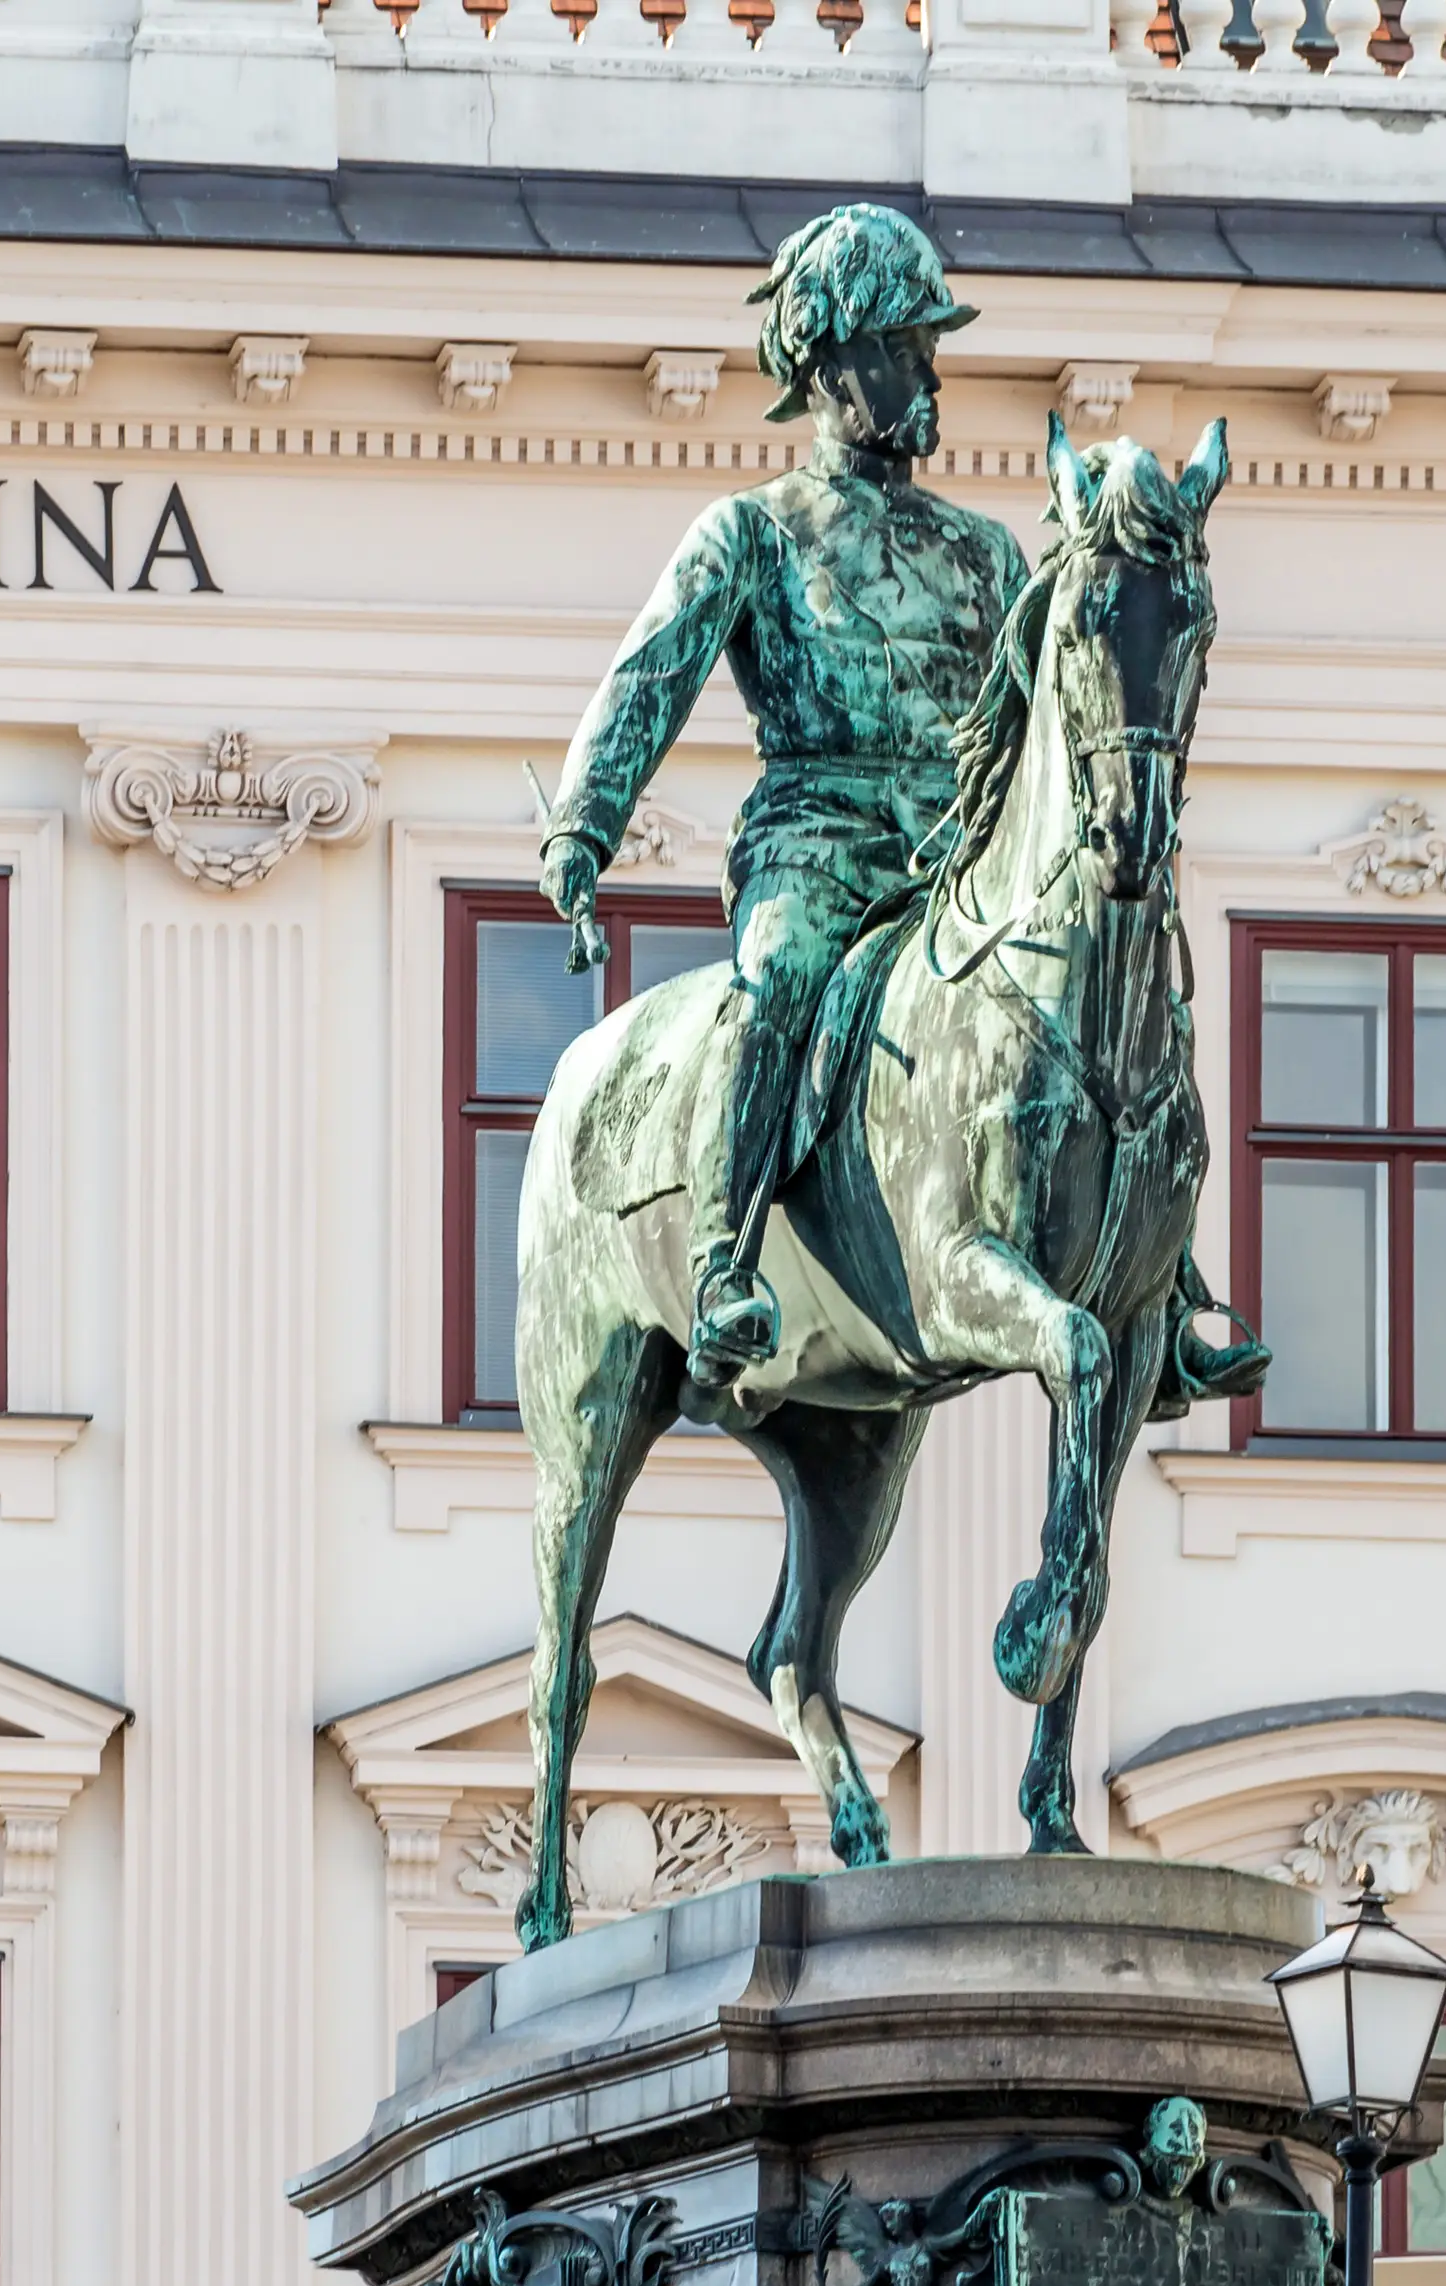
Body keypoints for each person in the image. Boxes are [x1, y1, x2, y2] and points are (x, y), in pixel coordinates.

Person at [535, 201, 1032, 1393]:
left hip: (956, 850)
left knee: (1094, 977)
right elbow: (651, 676)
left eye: (930, 347)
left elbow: (1032, 724)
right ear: (834, 360)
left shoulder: (991, 552)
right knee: (781, 983)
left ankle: (1155, 1285)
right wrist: (582, 825)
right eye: (908, 347)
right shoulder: (756, 532)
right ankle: (721, 1258)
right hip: (819, 831)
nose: (931, 375)